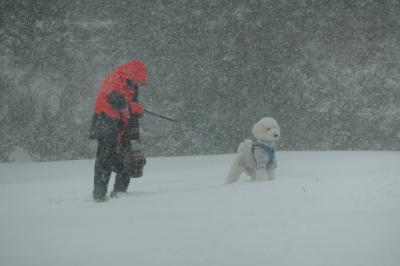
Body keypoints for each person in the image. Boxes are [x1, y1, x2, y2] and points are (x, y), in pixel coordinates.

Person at [89, 59, 148, 202]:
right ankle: (99, 195)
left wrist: (135, 114)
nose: (137, 84)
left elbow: (131, 107)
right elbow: (114, 98)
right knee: (104, 159)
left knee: (129, 159)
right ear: (133, 74)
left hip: (122, 125)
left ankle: (120, 194)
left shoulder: (132, 85)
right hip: (105, 121)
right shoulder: (116, 78)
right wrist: (131, 107)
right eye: (137, 80)